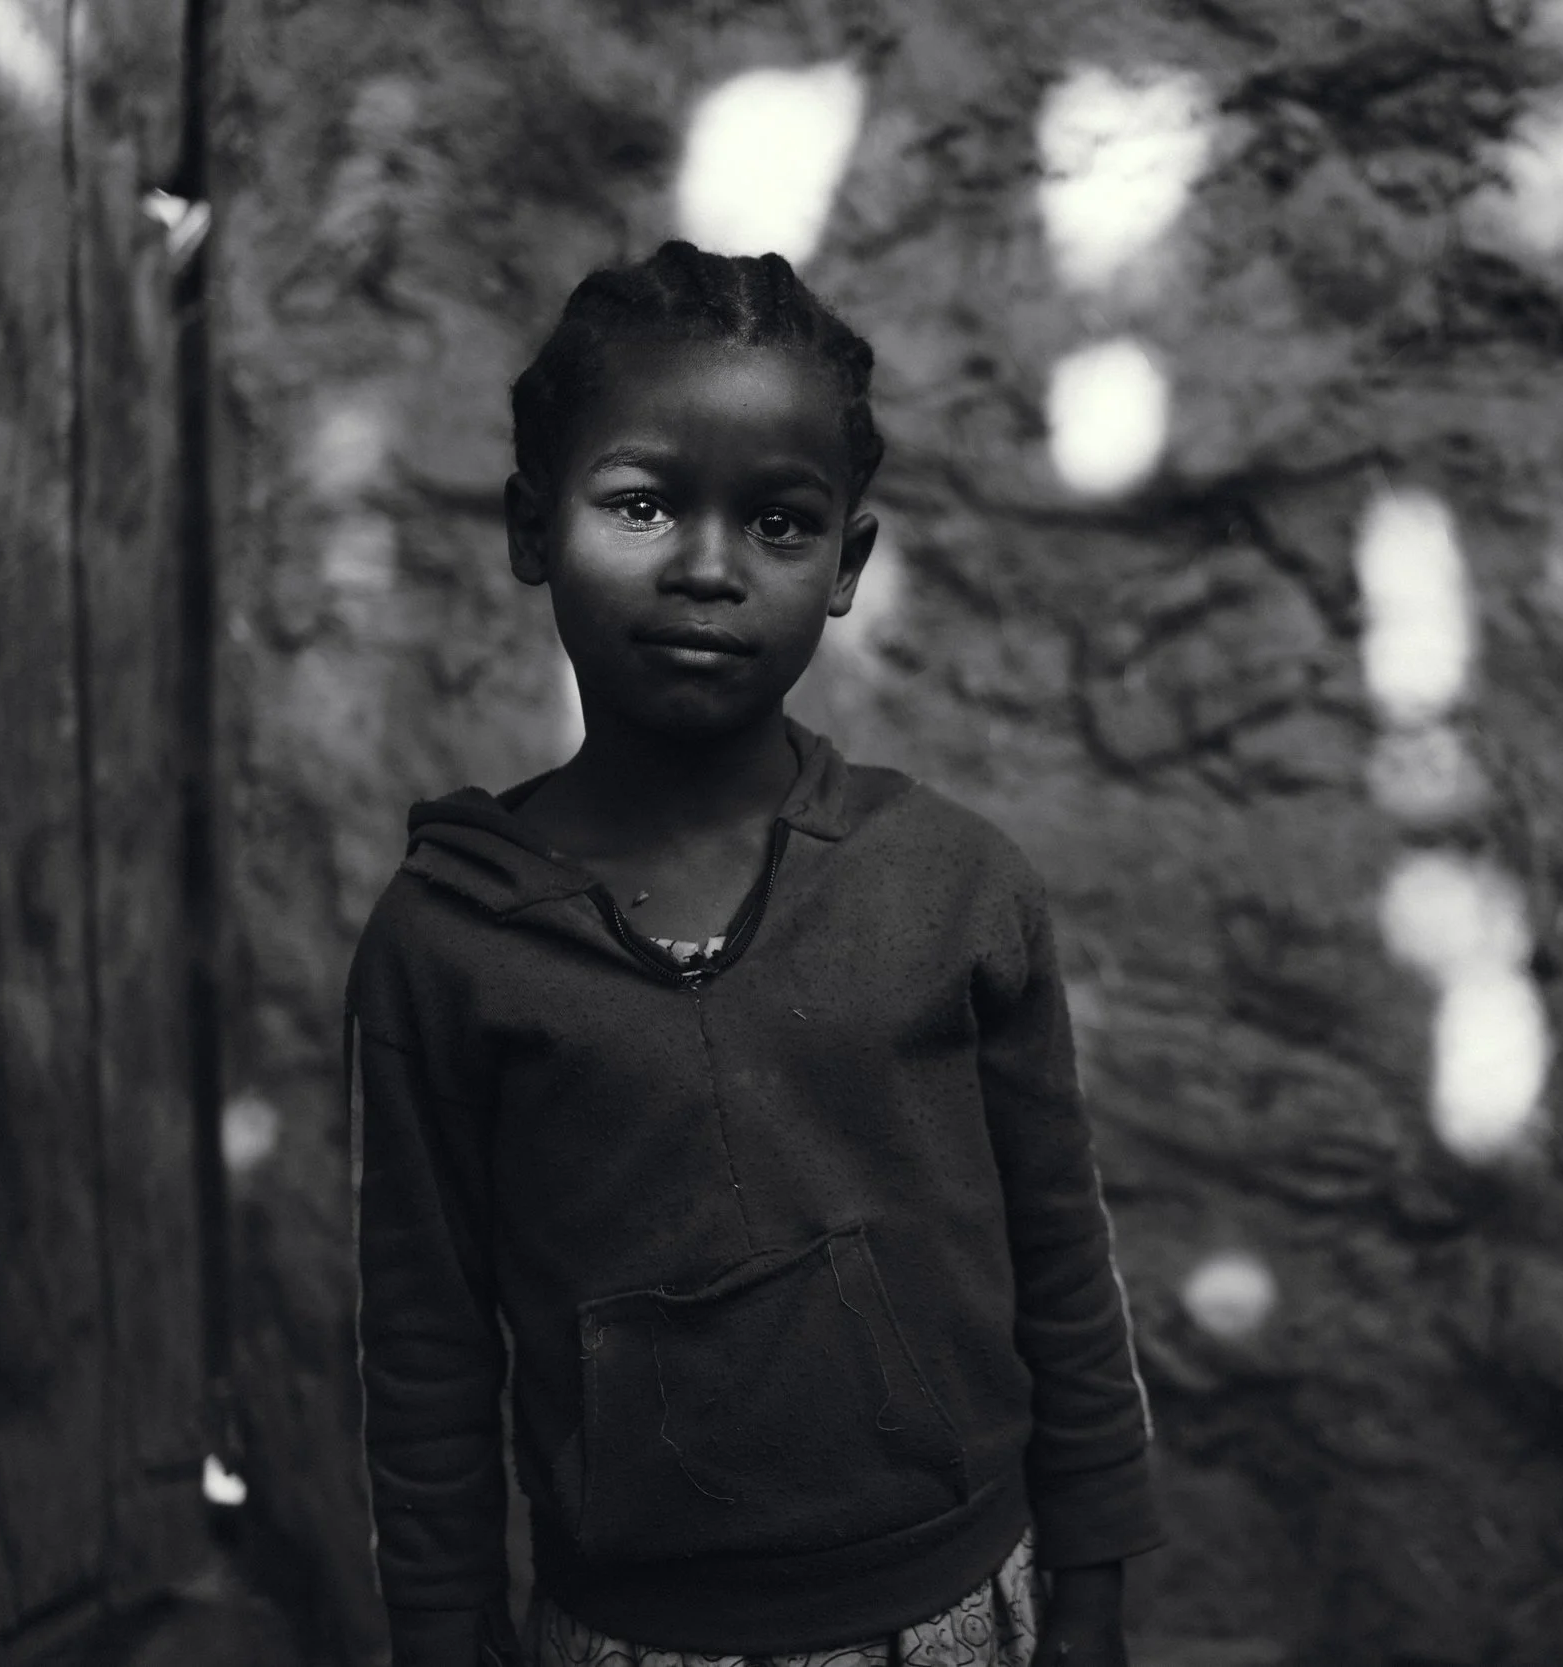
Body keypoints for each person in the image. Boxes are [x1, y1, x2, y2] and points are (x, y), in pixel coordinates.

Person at [347, 240, 1161, 1667]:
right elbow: (426, 1351)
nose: (712, 569)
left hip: (961, 1614)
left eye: (781, 525)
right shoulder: (452, 942)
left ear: (847, 562)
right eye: (644, 505)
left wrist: (1089, 1590)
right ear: (533, 529)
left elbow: (1064, 1263)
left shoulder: (955, 885)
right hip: (628, 1639)